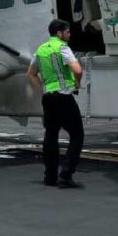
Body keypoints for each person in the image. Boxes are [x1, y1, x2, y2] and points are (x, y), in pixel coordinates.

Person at [27, 19, 85, 188]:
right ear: (59, 33)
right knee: (77, 135)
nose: (69, 34)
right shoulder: (62, 48)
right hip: (64, 97)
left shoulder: (40, 50)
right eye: (67, 32)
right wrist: (77, 83)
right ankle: (66, 175)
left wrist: (43, 89)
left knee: (50, 137)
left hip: (48, 98)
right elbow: (77, 70)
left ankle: (50, 177)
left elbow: (31, 73)